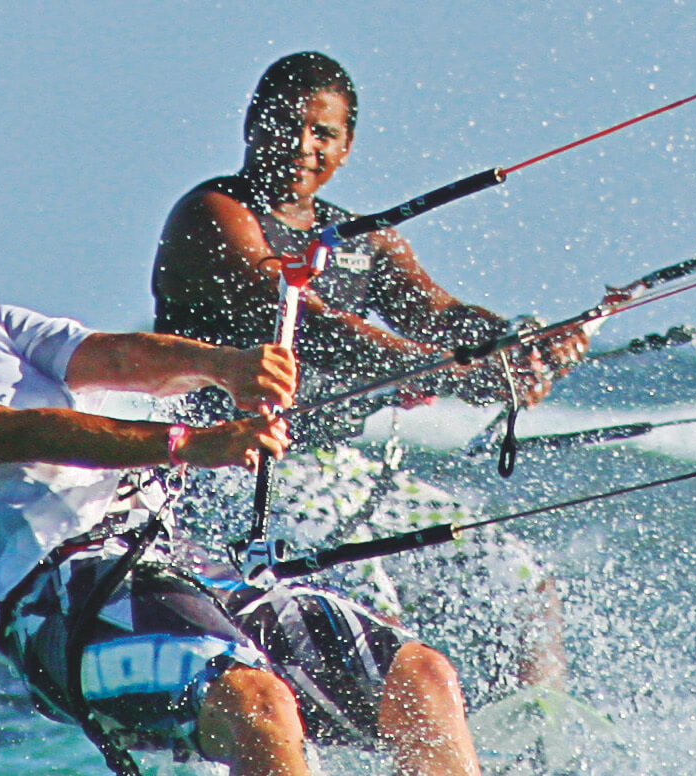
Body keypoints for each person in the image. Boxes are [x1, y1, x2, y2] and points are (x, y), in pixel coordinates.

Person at [0, 167, 479, 776]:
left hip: (173, 563)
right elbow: (11, 432)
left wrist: (228, 366)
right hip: (59, 605)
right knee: (255, 703)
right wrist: (188, 443)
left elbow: (117, 360)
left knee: (417, 676)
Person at [150, 52, 587, 700]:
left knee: (522, 583)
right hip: (224, 473)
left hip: (331, 471)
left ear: (347, 146)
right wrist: (447, 372)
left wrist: (515, 347)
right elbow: (313, 322)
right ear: (250, 124)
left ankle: (529, 736)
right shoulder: (214, 215)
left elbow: (439, 314)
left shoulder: (358, 239)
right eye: (284, 124)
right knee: (381, 621)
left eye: (322, 133)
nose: (302, 146)